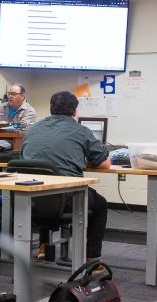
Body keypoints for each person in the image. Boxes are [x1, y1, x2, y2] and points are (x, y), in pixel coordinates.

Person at [20, 91, 110, 259]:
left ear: (51, 109)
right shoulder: (80, 130)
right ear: (75, 111)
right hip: (65, 198)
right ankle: (92, 258)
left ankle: (44, 247)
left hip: (31, 197)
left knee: (45, 186)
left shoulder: (32, 129)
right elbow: (104, 163)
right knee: (100, 204)